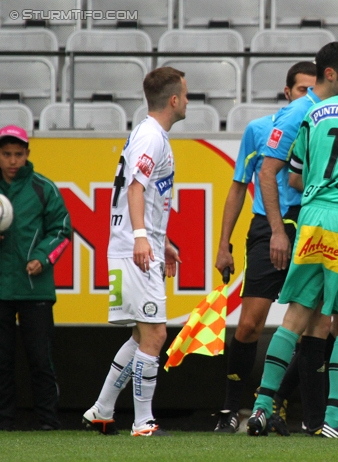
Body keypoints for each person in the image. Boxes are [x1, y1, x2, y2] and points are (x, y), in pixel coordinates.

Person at [248, 39, 338, 439]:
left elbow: (294, 175)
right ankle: (337, 419)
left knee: (295, 317)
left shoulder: (315, 112)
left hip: (313, 216)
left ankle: (260, 405)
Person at [82, 66, 187, 437]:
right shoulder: (152, 137)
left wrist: (163, 241)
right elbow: (135, 189)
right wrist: (143, 238)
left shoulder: (147, 134)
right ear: (173, 100)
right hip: (134, 248)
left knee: (142, 337)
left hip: (136, 246)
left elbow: (146, 193)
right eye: (185, 95)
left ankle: (102, 409)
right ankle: (142, 422)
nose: (187, 101)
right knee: (155, 336)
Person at [213, 61, 317, 434]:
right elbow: (239, 185)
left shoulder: (320, 122)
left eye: (312, 88)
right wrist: (223, 245)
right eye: (301, 89)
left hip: (309, 227)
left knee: (312, 328)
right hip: (267, 230)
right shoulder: (259, 130)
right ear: (287, 92)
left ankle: (274, 403)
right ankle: (230, 410)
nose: (308, 95)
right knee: (250, 325)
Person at [0, 125, 71, 431]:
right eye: (6, 154)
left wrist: (42, 258)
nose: (13, 160)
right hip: (1, 289)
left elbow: (63, 230)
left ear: (28, 154)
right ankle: (4, 422)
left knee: (41, 359)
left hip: (35, 289)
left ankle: (47, 422)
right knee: (1, 361)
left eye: (18, 154)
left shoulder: (44, 187)